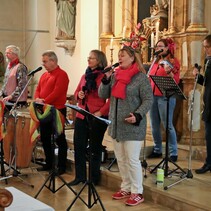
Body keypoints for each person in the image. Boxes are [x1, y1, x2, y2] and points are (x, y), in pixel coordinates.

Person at [98, 46, 153, 206]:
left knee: (132, 160)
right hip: (116, 125)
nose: (119, 58)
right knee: (121, 159)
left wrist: (137, 115)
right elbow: (103, 94)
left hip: (132, 125)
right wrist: (106, 79)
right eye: (119, 56)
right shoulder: (115, 76)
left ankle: (137, 192)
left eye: (123, 56)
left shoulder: (140, 78)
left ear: (132, 58)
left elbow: (149, 99)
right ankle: (126, 186)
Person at [68, 50, 109, 186]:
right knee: (79, 147)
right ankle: (80, 176)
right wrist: (78, 95)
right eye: (88, 57)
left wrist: (101, 112)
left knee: (94, 149)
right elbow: (75, 94)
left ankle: (93, 178)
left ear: (99, 61)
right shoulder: (84, 76)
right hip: (82, 115)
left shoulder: (105, 77)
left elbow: (110, 99)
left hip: (97, 116)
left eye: (92, 58)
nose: (89, 60)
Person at [34, 50, 69, 175]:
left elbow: (57, 92)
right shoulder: (44, 75)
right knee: (45, 137)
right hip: (44, 110)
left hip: (57, 110)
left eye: (45, 61)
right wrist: (37, 99)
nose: (43, 64)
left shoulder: (62, 74)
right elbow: (38, 89)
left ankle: (61, 166)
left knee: (59, 138)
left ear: (53, 61)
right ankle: (49, 163)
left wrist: (44, 101)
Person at [147, 38, 180, 162]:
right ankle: (157, 149)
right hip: (152, 96)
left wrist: (169, 73)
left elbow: (176, 80)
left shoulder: (172, 61)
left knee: (167, 125)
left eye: (160, 46)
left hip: (165, 96)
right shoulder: (155, 61)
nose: (157, 49)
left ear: (167, 48)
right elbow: (150, 78)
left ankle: (173, 152)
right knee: (155, 125)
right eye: (156, 47)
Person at [193, 34, 211, 174]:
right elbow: (206, 82)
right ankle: (208, 163)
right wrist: (198, 76)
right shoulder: (207, 60)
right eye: (204, 47)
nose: (206, 50)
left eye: (207, 47)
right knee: (208, 136)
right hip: (209, 103)